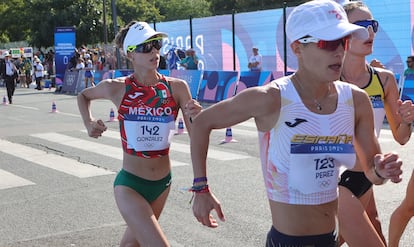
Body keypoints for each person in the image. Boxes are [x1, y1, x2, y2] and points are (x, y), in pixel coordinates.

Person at [189, 1, 403, 246]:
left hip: (330, 239)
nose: (339, 51)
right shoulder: (271, 98)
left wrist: (382, 170)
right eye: (327, 43)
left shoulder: (356, 100)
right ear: (297, 47)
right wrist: (200, 188)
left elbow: (372, 173)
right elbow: (202, 123)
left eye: (343, 41)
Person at [77, 21, 201, 247]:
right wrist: (89, 122)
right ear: (130, 55)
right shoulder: (116, 87)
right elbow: (83, 96)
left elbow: (197, 138)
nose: (154, 51)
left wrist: (197, 117)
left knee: (130, 245)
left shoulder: (177, 87)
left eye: (156, 44)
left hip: (163, 183)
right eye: (146, 47)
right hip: (130, 185)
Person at [338, 2, 414, 246]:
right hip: (332, 178)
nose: (369, 33)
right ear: (342, 31)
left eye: (372, 26)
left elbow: (401, 137)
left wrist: (408, 120)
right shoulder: (327, 78)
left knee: (368, 230)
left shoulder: (384, 79)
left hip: (367, 175)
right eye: (361, 26)